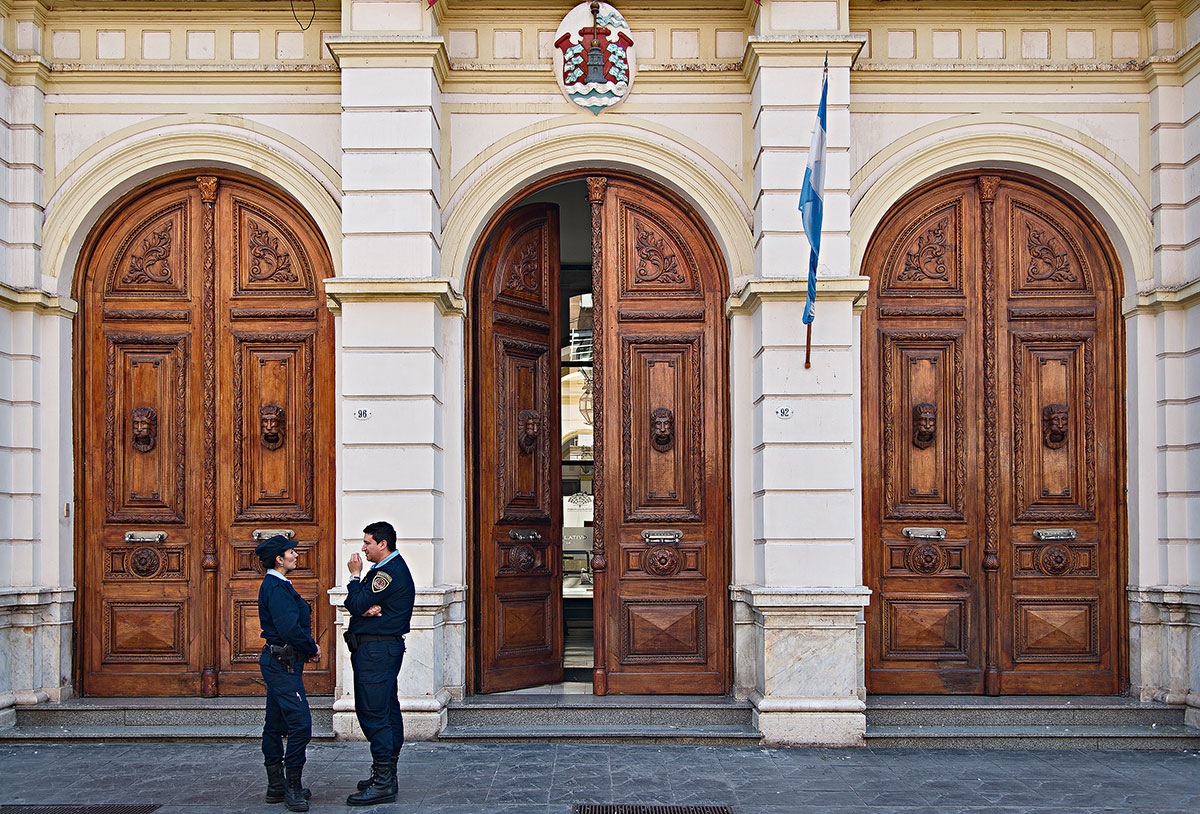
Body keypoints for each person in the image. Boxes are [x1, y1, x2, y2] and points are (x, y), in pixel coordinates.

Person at [343, 521, 416, 807]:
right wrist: (364, 606)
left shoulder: (385, 573)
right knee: (386, 709)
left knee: (374, 712)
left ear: (382, 544)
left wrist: (354, 578)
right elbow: (362, 605)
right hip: (379, 649)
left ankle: (384, 780)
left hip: (376, 650)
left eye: (367, 543)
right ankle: (386, 774)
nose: (363, 548)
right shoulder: (386, 571)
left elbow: (355, 603)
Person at [255, 534, 319, 812]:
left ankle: (276, 786)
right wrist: (311, 646)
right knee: (301, 725)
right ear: (279, 559)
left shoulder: (276, 584)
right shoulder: (277, 588)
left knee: (275, 722)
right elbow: (289, 629)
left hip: (280, 663)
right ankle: (291, 786)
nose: (296, 555)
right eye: (291, 552)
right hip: (283, 665)